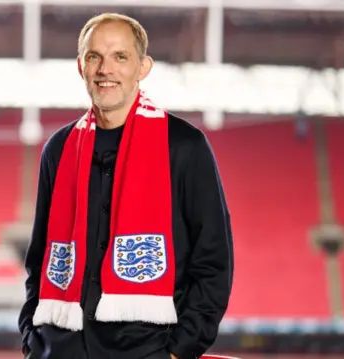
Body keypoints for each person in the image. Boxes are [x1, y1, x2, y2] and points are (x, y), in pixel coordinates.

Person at [18, 12, 233, 359]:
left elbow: (214, 260)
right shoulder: (58, 150)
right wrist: (32, 337)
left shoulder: (183, 146)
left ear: (143, 67)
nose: (106, 69)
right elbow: (39, 257)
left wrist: (178, 351)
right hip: (59, 349)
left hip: (147, 350)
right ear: (81, 66)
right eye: (94, 57)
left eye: (120, 57)